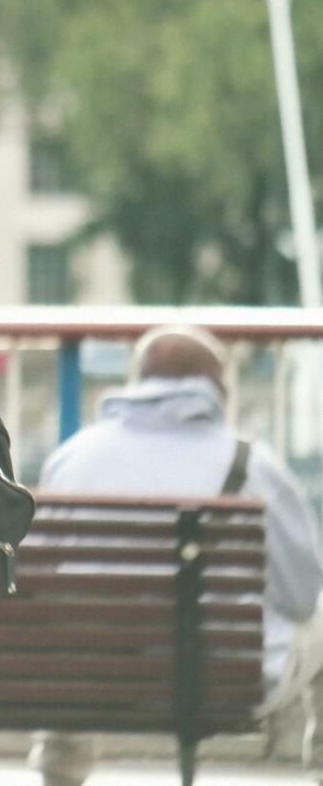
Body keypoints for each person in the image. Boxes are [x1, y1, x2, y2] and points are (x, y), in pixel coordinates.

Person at [31, 325, 323, 786]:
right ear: (216, 388)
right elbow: (303, 597)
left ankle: (60, 772)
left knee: (80, 632)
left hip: (90, 680)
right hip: (219, 682)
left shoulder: (72, 459)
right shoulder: (255, 467)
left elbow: (42, 584)